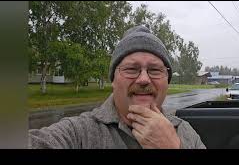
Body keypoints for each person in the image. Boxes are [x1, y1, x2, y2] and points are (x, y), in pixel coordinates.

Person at [29, 25, 206, 149]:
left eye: (154, 70)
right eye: (131, 69)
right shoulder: (79, 133)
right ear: (113, 79)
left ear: (167, 79)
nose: (144, 79)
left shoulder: (186, 133)